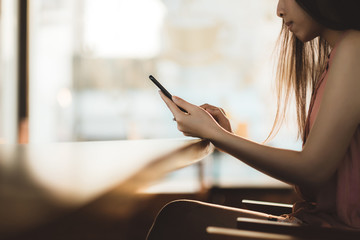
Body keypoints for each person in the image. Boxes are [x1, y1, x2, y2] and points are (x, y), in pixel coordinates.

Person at [147, 0, 360, 239]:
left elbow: (312, 170)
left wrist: (219, 136)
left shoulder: (354, 47)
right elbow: (313, 180)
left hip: (339, 231)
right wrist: (225, 136)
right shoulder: (340, 54)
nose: (279, 10)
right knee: (178, 216)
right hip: (321, 224)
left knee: (179, 219)